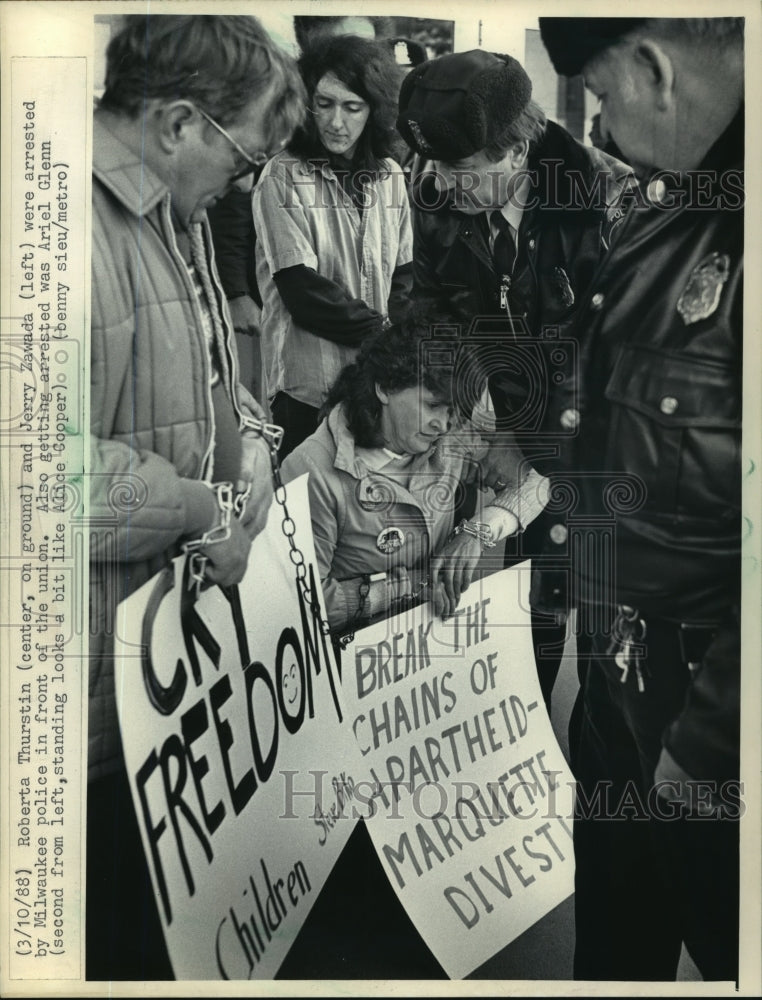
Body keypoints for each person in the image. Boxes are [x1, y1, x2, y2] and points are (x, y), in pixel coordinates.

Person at [88, 14, 305, 979]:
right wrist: (207, 509)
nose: (243, 180)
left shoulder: (172, 220)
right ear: (180, 124)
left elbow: (218, 377)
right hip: (87, 704)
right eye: (244, 157)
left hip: (152, 692)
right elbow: (35, 481)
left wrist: (253, 447)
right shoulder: (63, 227)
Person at [539, 16, 744, 982]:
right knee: (617, 954)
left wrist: (706, 755)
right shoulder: (677, 200)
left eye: (603, 97)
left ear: (656, 70)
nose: (602, 129)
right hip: (617, 685)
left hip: (710, 732)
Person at [275, 315, 548, 979]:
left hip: (427, 686)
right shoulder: (309, 471)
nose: (443, 423)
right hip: (347, 694)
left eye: (453, 410)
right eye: (431, 405)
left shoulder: (453, 434)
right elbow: (294, 608)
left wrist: (482, 530)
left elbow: (535, 480)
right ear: (381, 392)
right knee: (364, 896)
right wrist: (396, 588)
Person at [396, 49, 633, 711]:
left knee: (608, 654)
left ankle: (598, 796)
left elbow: (604, 373)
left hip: (607, 456)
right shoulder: (434, 185)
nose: (441, 184)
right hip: (517, 434)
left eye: (461, 170)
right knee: (534, 614)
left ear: (518, 150)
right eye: (432, 166)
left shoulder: (612, 205)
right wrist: (441, 433)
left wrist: (520, 460)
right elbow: (438, 315)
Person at [252, 33, 414, 459]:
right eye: (324, 104)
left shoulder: (391, 176)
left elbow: (404, 276)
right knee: (302, 512)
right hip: (307, 389)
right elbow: (301, 288)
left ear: (374, 111)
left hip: (373, 386)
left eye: (352, 107)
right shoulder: (281, 177)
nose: (336, 122)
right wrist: (383, 334)